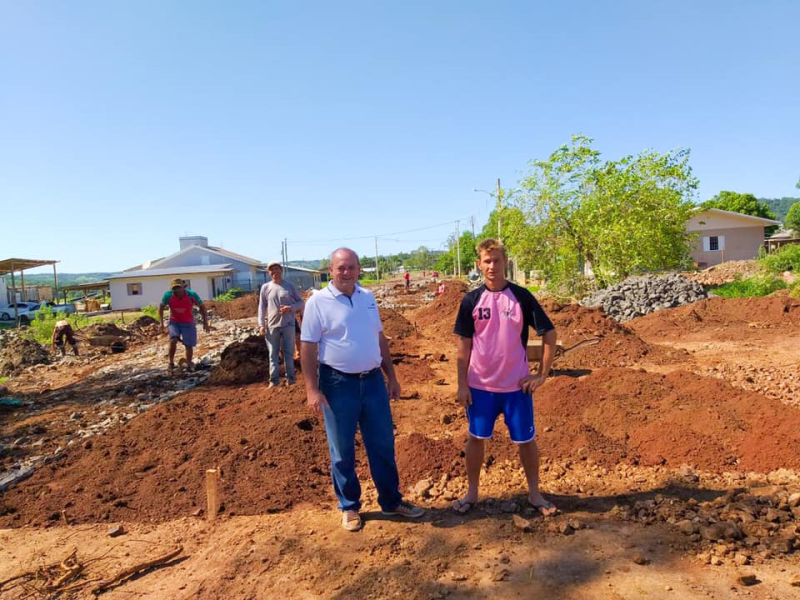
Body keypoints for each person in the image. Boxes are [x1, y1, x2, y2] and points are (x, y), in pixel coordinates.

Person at [301, 248, 424, 531]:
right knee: (342, 449)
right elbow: (307, 347)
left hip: (372, 383)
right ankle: (350, 506)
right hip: (337, 384)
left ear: (359, 270)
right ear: (330, 270)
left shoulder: (367, 298)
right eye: (340, 268)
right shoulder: (317, 302)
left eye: (351, 268)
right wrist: (311, 388)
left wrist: (391, 377)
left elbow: (379, 338)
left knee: (382, 444)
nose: (346, 273)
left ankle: (392, 502)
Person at [452, 239, 558, 516]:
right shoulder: (471, 300)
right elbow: (463, 345)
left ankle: (534, 494)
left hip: (516, 388)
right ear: (479, 264)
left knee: (526, 441)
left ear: (505, 262)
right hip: (480, 387)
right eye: (487, 261)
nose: (492, 266)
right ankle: (472, 493)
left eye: (497, 260)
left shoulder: (522, 297)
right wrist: (462, 384)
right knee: (476, 438)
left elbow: (549, 334)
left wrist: (541, 374)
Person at [258, 261, 304, 387]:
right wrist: (261, 324)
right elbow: (261, 307)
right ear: (269, 273)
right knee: (273, 355)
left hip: (288, 325)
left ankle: (291, 380)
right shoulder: (266, 288)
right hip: (272, 326)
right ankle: (274, 382)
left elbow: (301, 302)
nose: (275, 272)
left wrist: (291, 308)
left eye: (277, 269)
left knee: (289, 354)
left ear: (281, 271)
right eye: (272, 270)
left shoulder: (289, 286)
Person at [159, 278, 210, 373]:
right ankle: (171, 363)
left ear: (183, 287)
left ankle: (189, 363)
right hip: (174, 322)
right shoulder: (168, 295)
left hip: (188, 322)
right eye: (174, 288)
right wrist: (161, 323)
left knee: (188, 344)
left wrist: (205, 323)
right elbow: (161, 307)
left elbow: (202, 307)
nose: (177, 290)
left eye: (178, 287)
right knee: (173, 340)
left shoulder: (191, 295)